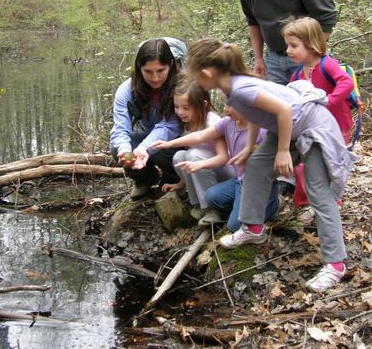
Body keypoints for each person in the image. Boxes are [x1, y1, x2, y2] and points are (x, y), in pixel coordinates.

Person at [185, 38, 354, 293]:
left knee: (319, 194)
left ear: (207, 73)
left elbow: (284, 110)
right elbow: (256, 115)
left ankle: (336, 266)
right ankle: (253, 227)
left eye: (194, 74)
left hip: (311, 126)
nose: (194, 80)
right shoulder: (232, 88)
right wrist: (248, 147)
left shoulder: (242, 88)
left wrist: (284, 151)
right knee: (256, 165)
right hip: (286, 127)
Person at [282, 17, 354, 223]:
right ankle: (307, 201)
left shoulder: (326, 64)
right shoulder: (297, 75)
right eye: (288, 45)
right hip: (312, 128)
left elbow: (346, 82)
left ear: (312, 45)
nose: (288, 50)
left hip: (337, 124)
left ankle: (333, 199)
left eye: (294, 45)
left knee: (333, 160)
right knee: (308, 163)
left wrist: (329, 100)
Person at [110, 38, 184, 200]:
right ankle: (145, 179)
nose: (155, 78)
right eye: (148, 72)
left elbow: (169, 126)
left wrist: (144, 147)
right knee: (116, 148)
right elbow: (121, 128)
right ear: (139, 68)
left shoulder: (182, 86)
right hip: (149, 136)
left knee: (157, 149)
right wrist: (124, 150)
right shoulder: (126, 90)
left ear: (170, 65)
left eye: (160, 71)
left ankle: (174, 177)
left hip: (179, 142)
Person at [160, 76, 234, 224]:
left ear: (203, 104)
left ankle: (213, 209)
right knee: (179, 156)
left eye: (186, 107)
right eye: (177, 107)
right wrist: (180, 184)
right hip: (204, 169)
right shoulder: (186, 124)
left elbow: (224, 157)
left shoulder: (211, 121)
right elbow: (188, 159)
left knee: (193, 155)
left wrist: (199, 164)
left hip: (228, 172)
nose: (180, 112)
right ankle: (199, 203)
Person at [203, 103, 280, 231]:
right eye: (226, 103)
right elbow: (200, 135)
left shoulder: (262, 129)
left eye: (231, 104)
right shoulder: (228, 123)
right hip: (240, 180)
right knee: (211, 196)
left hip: (259, 184)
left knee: (233, 226)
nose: (226, 108)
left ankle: (272, 205)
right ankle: (238, 212)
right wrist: (169, 143)